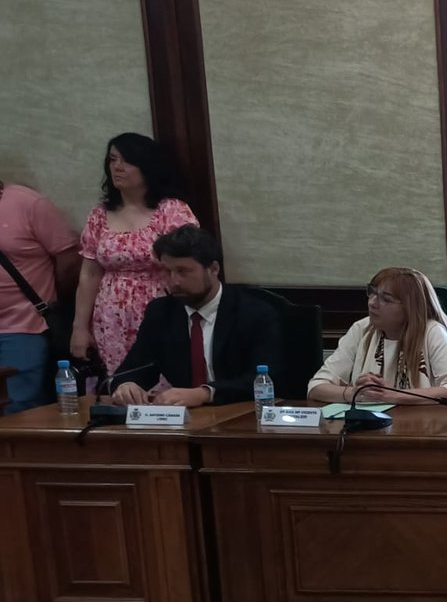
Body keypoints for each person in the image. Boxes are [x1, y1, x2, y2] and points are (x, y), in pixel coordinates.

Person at [108, 225, 283, 406]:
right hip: (186, 418)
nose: (174, 281)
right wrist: (126, 385)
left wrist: (205, 393)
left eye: (183, 271)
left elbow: (267, 379)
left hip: (240, 413)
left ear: (213, 269)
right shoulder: (161, 312)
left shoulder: (254, 313)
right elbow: (133, 369)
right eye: (168, 271)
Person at [71, 134, 198, 377]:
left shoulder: (172, 210)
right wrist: (80, 327)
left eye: (127, 161)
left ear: (147, 166)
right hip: (110, 316)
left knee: (166, 382)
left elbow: (190, 263)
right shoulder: (99, 215)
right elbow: (89, 274)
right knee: (120, 385)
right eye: (112, 159)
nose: (117, 167)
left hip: (162, 306)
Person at [308, 268, 447, 405]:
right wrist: (356, 393)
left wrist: (392, 396)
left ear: (410, 307)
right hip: (371, 426)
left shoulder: (432, 332)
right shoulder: (361, 329)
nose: (372, 303)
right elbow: (316, 387)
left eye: (386, 299)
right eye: (372, 293)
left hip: (422, 425)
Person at [0, 180, 80, 413]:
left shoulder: (29, 204)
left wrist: (52, 297)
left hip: (22, 326)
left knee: (17, 408)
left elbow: (69, 258)